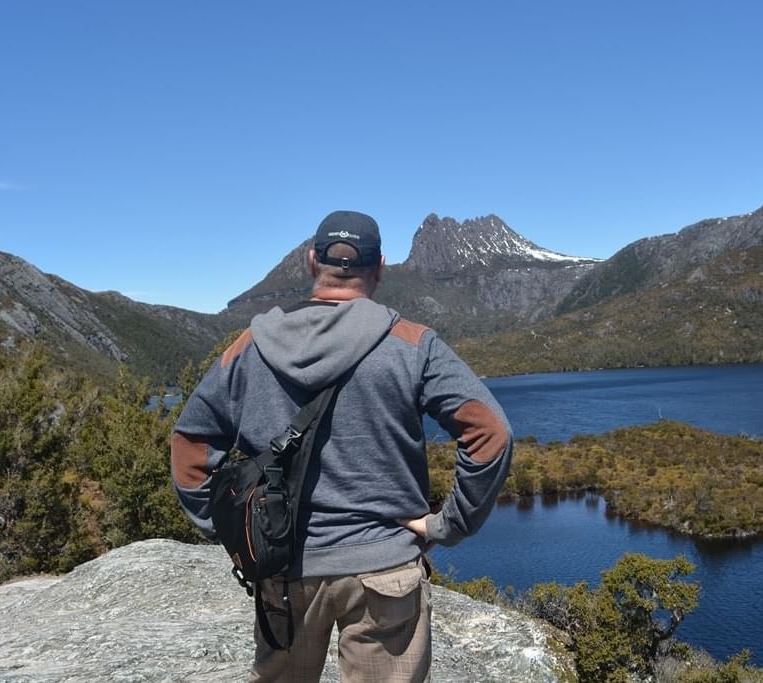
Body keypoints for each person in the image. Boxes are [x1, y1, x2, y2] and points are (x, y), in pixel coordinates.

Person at [170, 210, 512, 682]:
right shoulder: (413, 344)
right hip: (385, 568)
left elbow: (189, 443)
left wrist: (226, 529)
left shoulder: (249, 346)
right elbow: (491, 434)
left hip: (282, 568)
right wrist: (447, 524)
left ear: (313, 262)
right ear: (380, 268)